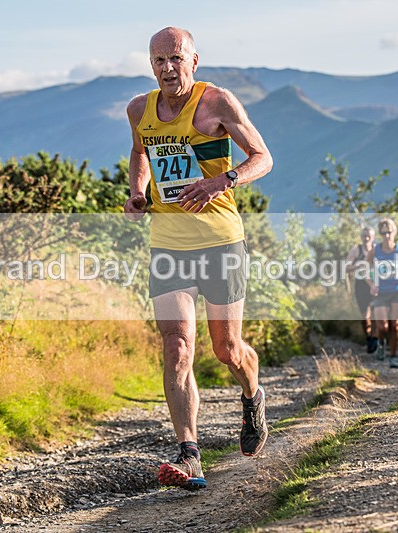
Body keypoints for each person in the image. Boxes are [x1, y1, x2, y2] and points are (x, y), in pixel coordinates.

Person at [123, 27, 273, 491]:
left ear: (193, 60)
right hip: (168, 245)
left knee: (226, 350)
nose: (167, 68)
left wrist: (221, 181)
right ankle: (189, 455)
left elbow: (263, 157)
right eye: (158, 60)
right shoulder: (139, 109)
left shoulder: (217, 103)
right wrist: (137, 192)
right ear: (151, 66)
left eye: (175, 58)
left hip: (221, 242)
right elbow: (139, 152)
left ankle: (252, 394)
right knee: (177, 346)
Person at [366, 218, 398, 368]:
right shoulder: (375, 251)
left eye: (389, 232)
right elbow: (365, 271)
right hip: (381, 292)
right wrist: (372, 285)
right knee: (382, 327)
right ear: (380, 234)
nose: (387, 236)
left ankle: (393, 356)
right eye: (384, 233)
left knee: (395, 325)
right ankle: (380, 343)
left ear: (394, 232)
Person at [345, 227, 378, 353]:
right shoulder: (356, 250)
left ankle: (375, 339)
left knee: (376, 313)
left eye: (369, 236)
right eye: (364, 236)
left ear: (373, 237)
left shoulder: (377, 249)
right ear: (361, 237)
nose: (367, 238)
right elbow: (346, 268)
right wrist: (357, 266)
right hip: (361, 286)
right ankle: (368, 337)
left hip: (375, 284)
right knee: (365, 315)